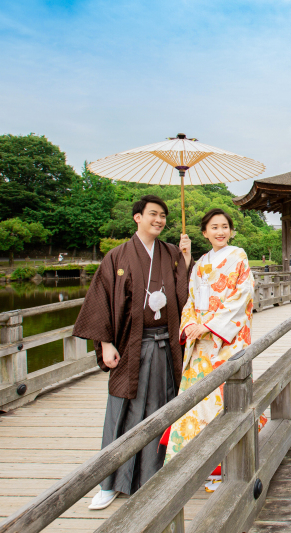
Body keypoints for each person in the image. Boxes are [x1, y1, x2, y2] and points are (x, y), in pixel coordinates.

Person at [73, 195, 192, 510]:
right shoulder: (117, 256)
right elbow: (101, 299)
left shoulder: (172, 253)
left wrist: (187, 259)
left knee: (163, 408)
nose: (159, 220)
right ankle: (110, 482)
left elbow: (186, 295)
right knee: (122, 411)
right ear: (137, 217)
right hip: (131, 346)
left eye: (163, 215)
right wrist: (105, 343)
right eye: (153, 214)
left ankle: (157, 476)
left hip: (167, 346)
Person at [163, 208, 263, 492]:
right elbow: (191, 301)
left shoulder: (238, 256)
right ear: (204, 232)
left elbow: (242, 295)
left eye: (224, 227)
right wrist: (190, 325)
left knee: (223, 399)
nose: (220, 232)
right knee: (198, 402)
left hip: (225, 339)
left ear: (231, 231)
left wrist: (208, 326)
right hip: (201, 343)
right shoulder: (200, 264)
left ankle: (226, 464)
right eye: (214, 227)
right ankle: (200, 465)